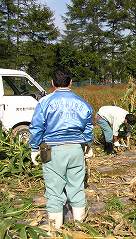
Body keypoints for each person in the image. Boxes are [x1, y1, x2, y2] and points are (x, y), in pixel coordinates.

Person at [29, 69, 93, 229]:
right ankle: (81, 228)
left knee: (53, 190)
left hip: (50, 149)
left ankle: (55, 230)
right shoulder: (82, 102)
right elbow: (88, 127)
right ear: (70, 82)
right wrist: (88, 145)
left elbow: (36, 127)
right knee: (77, 187)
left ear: (52, 83)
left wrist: (34, 148)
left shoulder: (44, 102)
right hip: (76, 149)